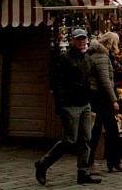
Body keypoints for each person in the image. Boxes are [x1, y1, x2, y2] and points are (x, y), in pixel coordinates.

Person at [35, 29, 101, 185]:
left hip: (85, 103)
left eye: (84, 39)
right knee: (70, 139)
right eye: (79, 39)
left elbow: (90, 78)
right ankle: (43, 164)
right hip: (70, 104)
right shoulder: (65, 59)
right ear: (72, 41)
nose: (82, 42)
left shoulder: (87, 58)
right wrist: (61, 105)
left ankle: (83, 172)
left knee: (86, 138)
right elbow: (58, 84)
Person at [87, 32, 122, 174]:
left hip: (98, 97)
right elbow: (105, 81)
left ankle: (113, 161)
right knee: (98, 130)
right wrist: (113, 100)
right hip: (100, 97)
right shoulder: (102, 57)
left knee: (109, 129)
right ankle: (92, 162)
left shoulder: (98, 55)